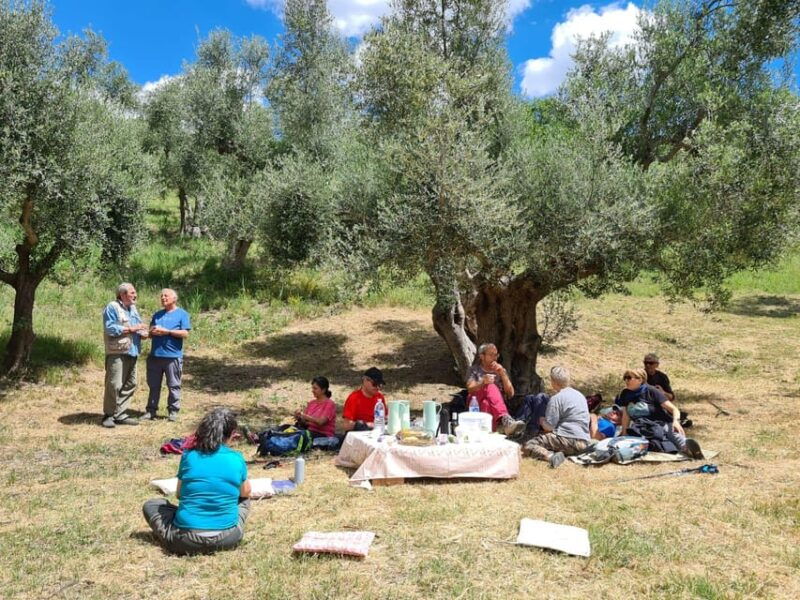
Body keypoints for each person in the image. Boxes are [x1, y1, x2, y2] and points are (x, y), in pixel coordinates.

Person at [142, 407, 251, 555]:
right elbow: (245, 492)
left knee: (152, 505)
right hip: (228, 538)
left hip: (184, 540)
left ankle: (174, 531)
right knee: (244, 500)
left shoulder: (189, 456)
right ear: (232, 434)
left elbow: (180, 494)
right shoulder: (236, 458)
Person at [616, 368, 702, 457]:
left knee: (672, 434)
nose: (626, 380)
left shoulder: (652, 391)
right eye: (625, 378)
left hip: (660, 423)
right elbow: (626, 415)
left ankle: (688, 448)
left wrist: (676, 421)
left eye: (629, 378)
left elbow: (674, 409)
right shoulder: (625, 393)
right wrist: (624, 432)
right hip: (641, 426)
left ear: (640, 379)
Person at [522, 366, 591, 468]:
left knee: (529, 445)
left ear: (553, 381)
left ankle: (551, 456)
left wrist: (541, 420)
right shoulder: (580, 395)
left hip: (568, 440)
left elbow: (549, 427)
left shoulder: (556, 399)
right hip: (584, 441)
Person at [102, 283, 149, 428]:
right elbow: (110, 328)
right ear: (122, 295)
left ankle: (120, 414)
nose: (135, 295)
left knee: (131, 383)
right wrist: (132, 328)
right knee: (114, 384)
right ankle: (108, 415)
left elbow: (138, 325)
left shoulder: (133, 309)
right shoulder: (112, 307)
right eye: (132, 293)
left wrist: (143, 333)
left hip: (133, 351)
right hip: (117, 352)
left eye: (135, 293)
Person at [143, 288, 191, 422]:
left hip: (173, 356)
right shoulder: (157, 315)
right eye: (162, 296)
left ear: (174, 298)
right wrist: (152, 332)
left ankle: (173, 411)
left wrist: (168, 332)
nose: (163, 298)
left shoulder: (182, 314)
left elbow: (185, 334)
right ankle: (151, 411)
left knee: (173, 385)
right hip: (155, 356)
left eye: (166, 296)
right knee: (153, 385)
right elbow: (150, 332)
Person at [465, 343, 526, 436]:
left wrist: (502, 374)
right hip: (475, 401)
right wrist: (482, 382)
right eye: (491, 355)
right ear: (482, 356)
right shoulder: (474, 369)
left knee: (486, 403)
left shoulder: (500, 370)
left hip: (493, 405)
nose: (494, 358)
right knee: (490, 386)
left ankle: (488, 433)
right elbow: (470, 389)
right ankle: (505, 420)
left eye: (496, 355)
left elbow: (511, 393)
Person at [341, 367, 387, 432]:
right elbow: (346, 425)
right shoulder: (354, 398)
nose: (377, 387)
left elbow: (385, 418)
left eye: (380, 384)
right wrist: (366, 425)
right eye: (374, 384)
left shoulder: (380, 397)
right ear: (365, 380)